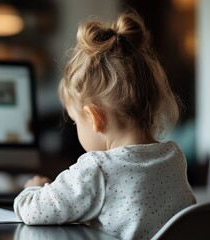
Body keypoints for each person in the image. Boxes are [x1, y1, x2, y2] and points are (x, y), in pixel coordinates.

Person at [13, 11, 196, 240]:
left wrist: (32, 188)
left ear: (95, 118)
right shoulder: (174, 157)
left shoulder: (97, 168)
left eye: (75, 121)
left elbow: (33, 211)